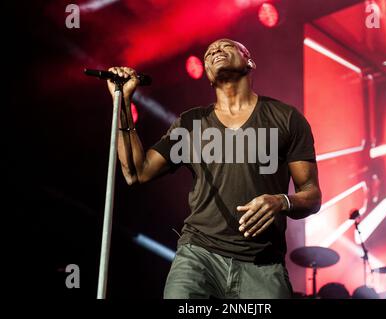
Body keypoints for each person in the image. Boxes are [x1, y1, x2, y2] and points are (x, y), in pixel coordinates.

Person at [107, 38, 322, 299]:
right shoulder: (191, 123)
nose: (215, 52)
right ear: (208, 75)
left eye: (226, 47)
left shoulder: (286, 118)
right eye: (209, 53)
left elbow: (311, 195)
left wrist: (281, 201)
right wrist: (122, 102)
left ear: (249, 61)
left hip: (262, 264)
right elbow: (135, 172)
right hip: (199, 256)